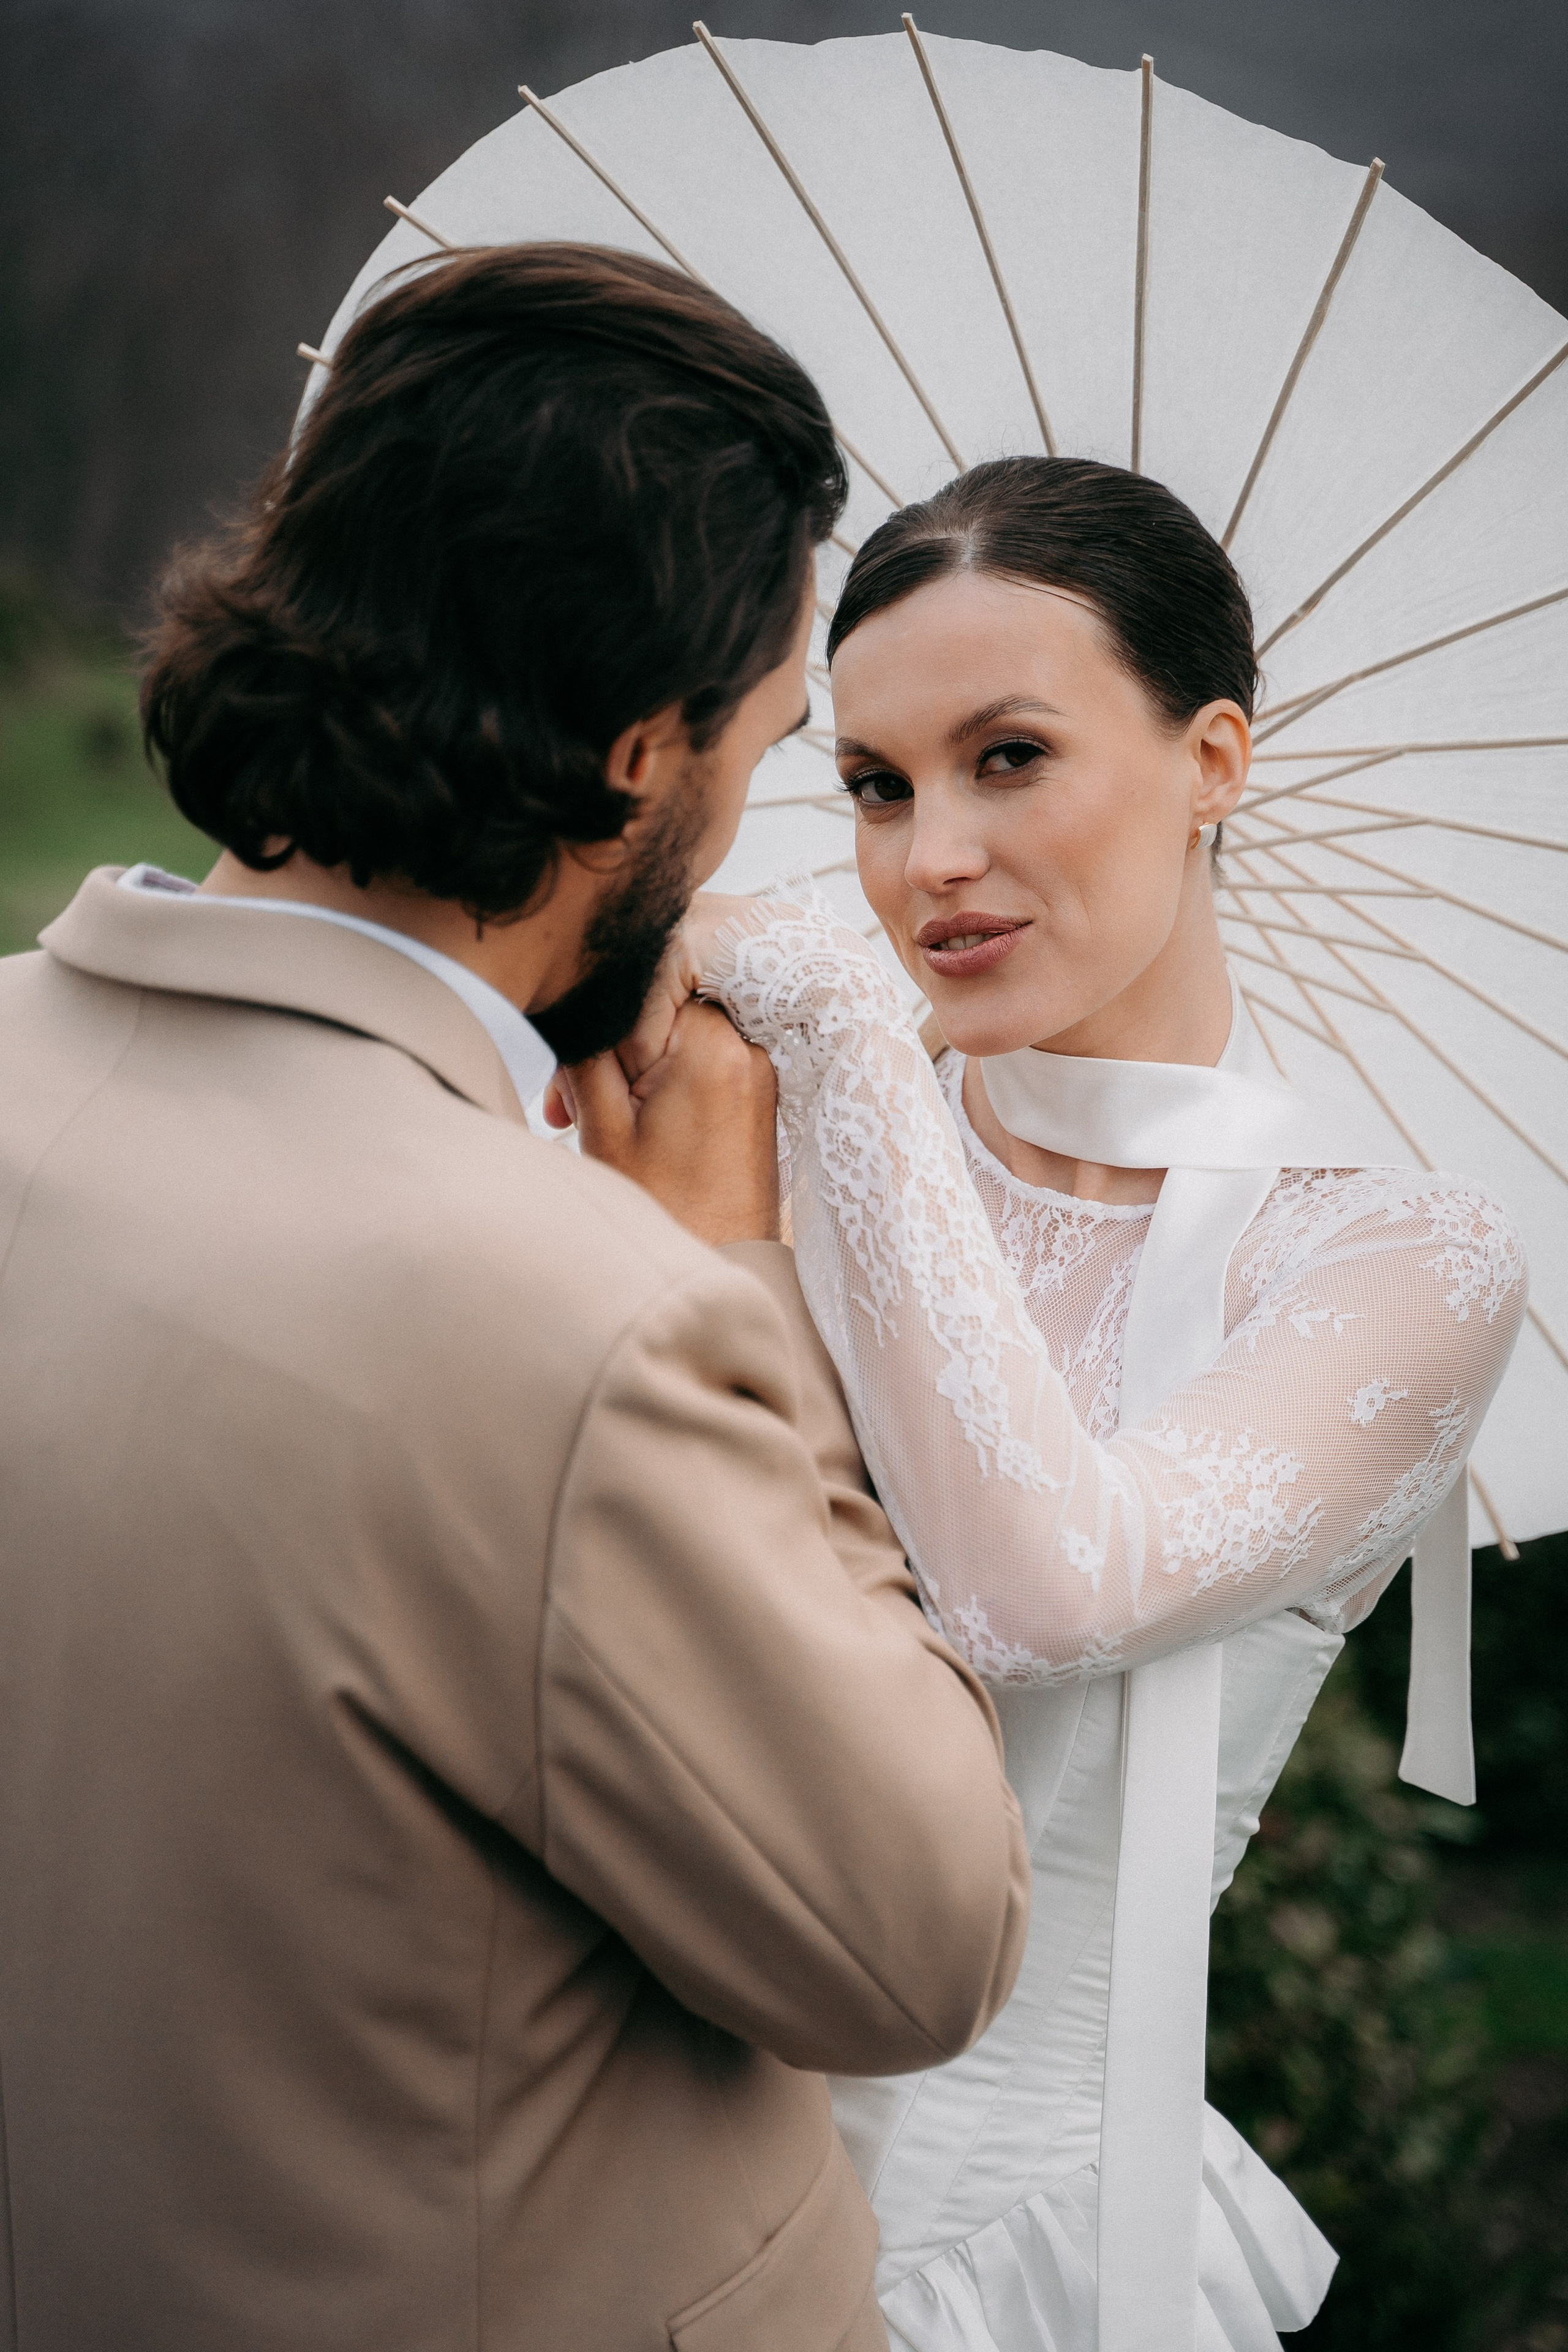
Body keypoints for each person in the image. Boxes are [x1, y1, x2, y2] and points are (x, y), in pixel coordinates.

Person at [0, 247, 1033, 2352]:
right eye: (769, 745)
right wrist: (724, 1268)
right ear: (642, 758)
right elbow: (923, 1943)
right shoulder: (592, 1324)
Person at [628, 456, 1526, 2352]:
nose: (925, 858)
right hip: (625, 2191)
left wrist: (853, 1038)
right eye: (877, 785)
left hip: (1009, 2264)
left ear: (1214, 759)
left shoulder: (1394, 1259)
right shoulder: (752, 1126)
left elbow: (1042, 1590)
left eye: (1009, 758)